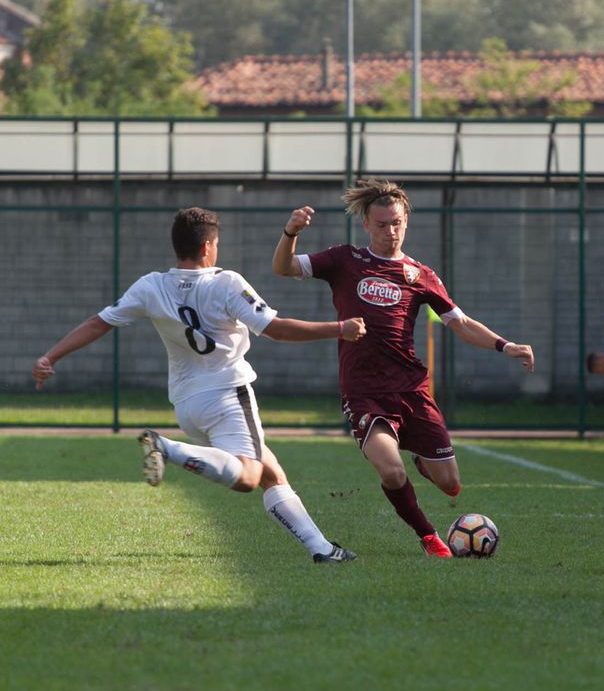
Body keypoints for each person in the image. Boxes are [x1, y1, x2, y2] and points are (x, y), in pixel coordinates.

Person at [31, 207, 362, 564]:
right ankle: (166, 447)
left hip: (187, 405)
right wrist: (338, 328)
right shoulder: (227, 283)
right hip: (228, 396)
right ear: (207, 247)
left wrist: (50, 356)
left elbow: (99, 323)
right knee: (249, 476)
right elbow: (276, 329)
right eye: (216, 243)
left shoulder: (151, 285)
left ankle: (323, 550)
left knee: (270, 472)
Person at [272, 179, 535, 558]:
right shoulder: (344, 260)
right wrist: (290, 233)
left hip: (412, 389)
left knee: (451, 485)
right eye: (381, 225)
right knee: (392, 473)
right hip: (364, 392)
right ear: (366, 225)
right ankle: (429, 537)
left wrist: (504, 344)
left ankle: (421, 457)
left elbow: (460, 323)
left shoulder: (419, 274)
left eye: (396, 223)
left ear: (406, 220)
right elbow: (283, 267)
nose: (390, 231)